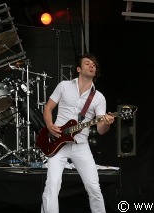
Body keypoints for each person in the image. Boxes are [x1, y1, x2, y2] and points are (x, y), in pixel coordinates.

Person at [41, 53, 115, 213]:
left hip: (80, 145)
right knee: (53, 184)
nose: (91, 66)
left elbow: (101, 130)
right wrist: (49, 125)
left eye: (94, 65)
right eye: (87, 63)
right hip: (57, 142)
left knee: (94, 187)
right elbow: (48, 108)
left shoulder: (99, 98)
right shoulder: (64, 86)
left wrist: (106, 123)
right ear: (78, 69)